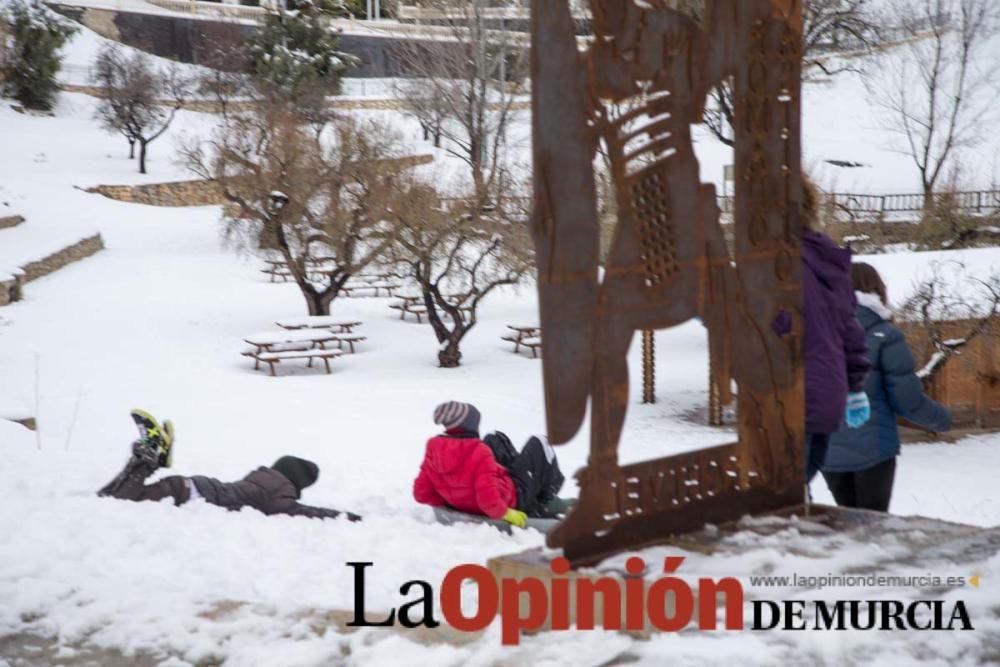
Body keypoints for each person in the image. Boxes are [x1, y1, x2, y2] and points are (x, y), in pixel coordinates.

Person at [822, 263, 951, 511]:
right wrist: (943, 419)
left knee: (849, 525)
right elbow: (907, 400)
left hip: (829, 453)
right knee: (874, 526)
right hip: (874, 451)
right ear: (876, 290)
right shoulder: (885, 335)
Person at [98, 409, 361, 522]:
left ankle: (147, 454)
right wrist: (342, 517)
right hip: (189, 493)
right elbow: (302, 513)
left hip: (190, 485)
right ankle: (149, 456)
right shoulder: (277, 493)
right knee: (122, 500)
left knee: (107, 498)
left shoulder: (259, 479)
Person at [797, 178, 872, 481]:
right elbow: (850, 331)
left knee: (782, 499)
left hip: (790, 401)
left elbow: (770, 331)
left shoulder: (775, 265)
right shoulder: (825, 259)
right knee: (798, 490)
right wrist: (854, 387)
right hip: (828, 398)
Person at [413, 401, 565, 528]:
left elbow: (421, 493)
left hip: (491, 487)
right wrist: (507, 513)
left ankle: (526, 484)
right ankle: (544, 501)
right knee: (540, 442)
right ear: (470, 426)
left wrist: (454, 500)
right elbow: (488, 501)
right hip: (514, 497)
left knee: (494, 436)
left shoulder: (433, 449)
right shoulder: (479, 452)